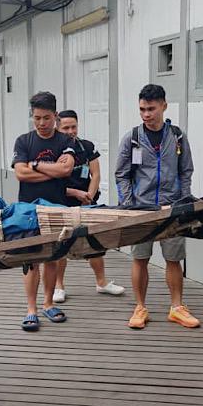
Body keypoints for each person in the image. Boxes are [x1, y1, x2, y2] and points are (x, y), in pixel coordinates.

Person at [114, 84, 197, 329]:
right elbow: (121, 174)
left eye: (151, 109)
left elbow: (186, 170)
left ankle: (177, 307)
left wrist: (184, 201)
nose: (146, 114)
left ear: (164, 106)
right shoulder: (132, 138)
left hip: (172, 208)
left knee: (174, 258)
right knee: (140, 257)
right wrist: (129, 205)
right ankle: (140, 307)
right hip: (141, 208)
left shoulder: (177, 136)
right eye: (142, 109)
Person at [12, 91, 75, 331]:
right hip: (28, 210)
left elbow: (65, 170)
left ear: (55, 116)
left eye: (46, 118)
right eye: (37, 118)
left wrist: (36, 165)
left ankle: (48, 303)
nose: (41, 123)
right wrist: (52, 169)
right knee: (30, 261)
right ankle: (31, 309)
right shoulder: (23, 141)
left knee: (52, 259)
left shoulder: (66, 141)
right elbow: (20, 173)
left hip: (57, 208)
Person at [52, 109, 125, 303]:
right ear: (58, 128)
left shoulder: (86, 147)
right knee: (61, 245)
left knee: (95, 242)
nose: (70, 131)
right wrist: (75, 193)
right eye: (66, 127)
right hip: (63, 202)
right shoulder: (52, 151)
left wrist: (90, 195)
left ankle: (101, 283)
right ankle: (58, 286)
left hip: (87, 202)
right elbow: (51, 183)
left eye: (73, 127)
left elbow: (96, 174)